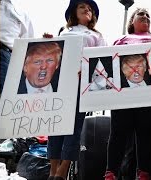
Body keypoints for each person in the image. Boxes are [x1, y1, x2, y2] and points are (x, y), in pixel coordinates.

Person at [104, 8, 151, 180]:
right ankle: (111, 173)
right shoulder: (120, 40)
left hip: (149, 94)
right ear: (132, 21)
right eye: (142, 15)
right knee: (118, 132)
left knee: (145, 133)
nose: (146, 18)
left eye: (149, 16)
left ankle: (144, 172)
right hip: (123, 95)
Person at [46, 0, 107, 180]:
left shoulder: (96, 35)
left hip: (81, 81)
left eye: (89, 9)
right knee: (55, 123)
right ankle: (53, 170)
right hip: (59, 81)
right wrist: (46, 41)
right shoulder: (64, 32)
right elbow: (53, 53)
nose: (87, 10)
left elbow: (103, 57)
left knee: (74, 126)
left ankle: (63, 170)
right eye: (82, 7)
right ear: (74, 12)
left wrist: (89, 71)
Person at [0, 0, 34, 94]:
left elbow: (28, 44)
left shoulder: (21, 13)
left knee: (5, 95)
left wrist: (46, 41)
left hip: (5, 55)